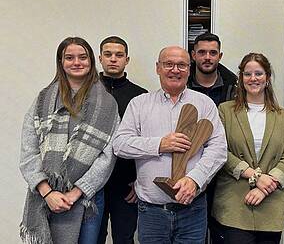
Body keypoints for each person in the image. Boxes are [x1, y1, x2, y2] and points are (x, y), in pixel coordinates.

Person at [112, 46, 227, 244]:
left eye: (182, 65)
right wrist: (160, 144)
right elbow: (120, 145)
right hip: (151, 212)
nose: (175, 70)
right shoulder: (139, 104)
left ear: (189, 69)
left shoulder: (205, 103)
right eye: (168, 64)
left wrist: (194, 180)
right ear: (158, 68)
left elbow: (218, 149)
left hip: (193, 209)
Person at [19, 37, 119, 244]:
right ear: (61, 62)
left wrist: (75, 193)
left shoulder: (107, 104)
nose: (77, 62)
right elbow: (29, 151)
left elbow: (108, 156)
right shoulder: (43, 99)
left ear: (91, 61)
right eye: (69, 57)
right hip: (44, 197)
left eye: (83, 57)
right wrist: (48, 193)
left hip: (87, 199)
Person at [212, 52, 284, 244]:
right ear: (241, 79)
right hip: (234, 205)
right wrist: (255, 175)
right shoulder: (225, 111)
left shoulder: (283, 116)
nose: (253, 79)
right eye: (247, 74)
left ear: (267, 77)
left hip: (271, 205)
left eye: (258, 73)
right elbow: (219, 150)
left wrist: (265, 187)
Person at [187, 32, 237, 244]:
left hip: (224, 169)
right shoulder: (181, 83)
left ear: (220, 56)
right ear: (193, 55)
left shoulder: (235, 87)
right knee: (192, 231)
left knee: (220, 229)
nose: (207, 57)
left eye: (213, 53)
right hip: (189, 166)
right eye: (202, 52)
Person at [97, 36, 147, 244]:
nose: (113, 59)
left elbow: (146, 143)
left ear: (127, 60)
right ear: (100, 58)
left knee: (124, 239)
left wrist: (139, 181)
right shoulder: (87, 92)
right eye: (108, 54)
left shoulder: (140, 96)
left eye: (119, 55)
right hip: (92, 183)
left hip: (126, 184)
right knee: (92, 238)